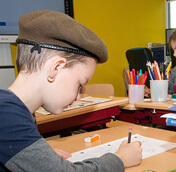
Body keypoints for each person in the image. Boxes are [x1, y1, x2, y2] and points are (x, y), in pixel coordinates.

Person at [0, 10, 142, 171]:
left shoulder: (13, 110)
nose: (78, 96)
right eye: (80, 84)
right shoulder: (6, 114)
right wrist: (119, 160)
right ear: (56, 68)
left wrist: (38, 156)